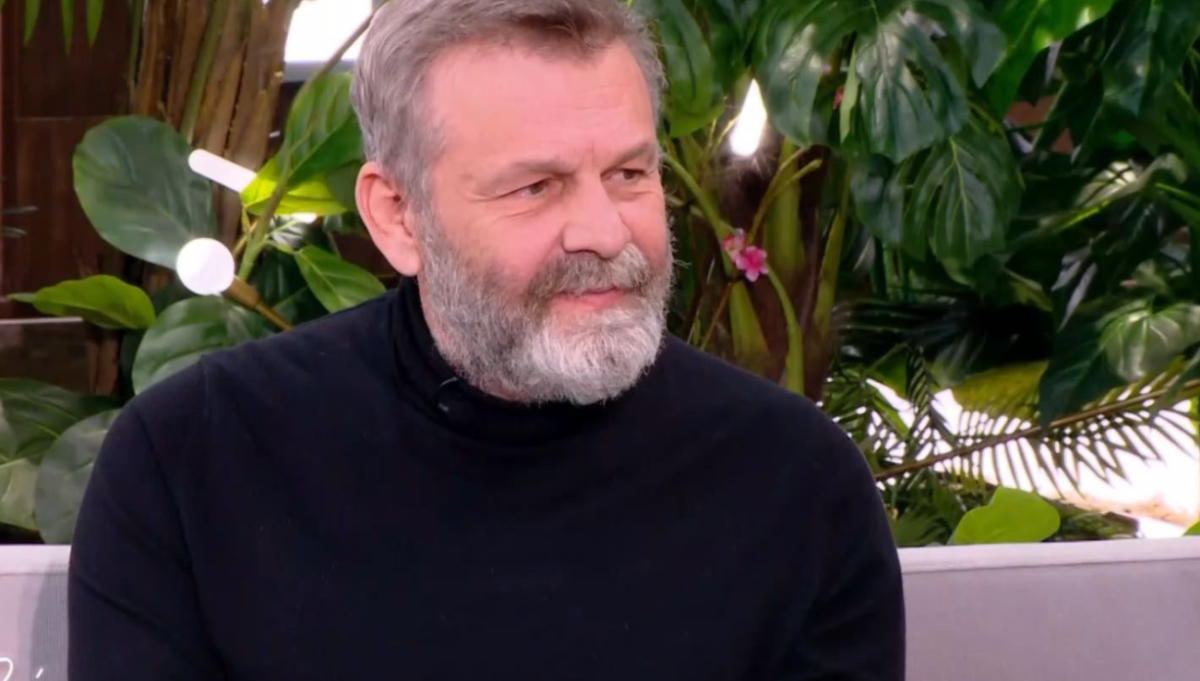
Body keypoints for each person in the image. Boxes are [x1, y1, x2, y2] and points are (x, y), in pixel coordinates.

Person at [68, 0, 905, 679]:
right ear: (398, 216)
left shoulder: (797, 483)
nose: (604, 232)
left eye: (629, 174)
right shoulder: (192, 461)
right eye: (536, 187)